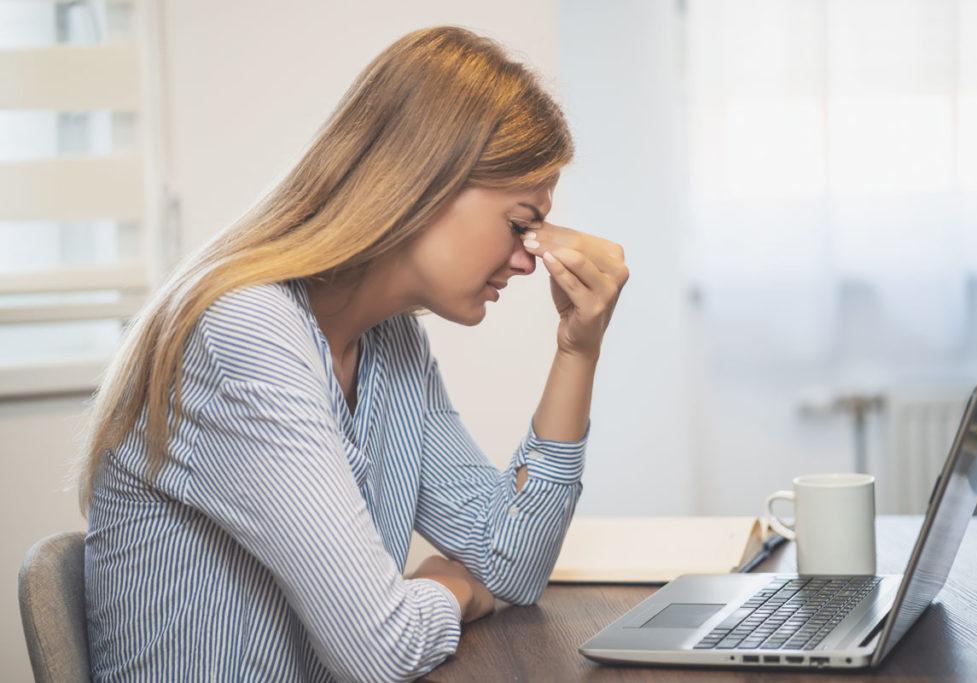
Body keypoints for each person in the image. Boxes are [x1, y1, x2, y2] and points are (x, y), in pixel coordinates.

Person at [77, 25, 628, 682]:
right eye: (520, 224)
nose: (529, 259)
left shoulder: (391, 345)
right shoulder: (245, 333)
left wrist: (577, 349)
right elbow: (383, 649)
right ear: (424, 181)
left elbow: (509, 563)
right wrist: (452, 589)